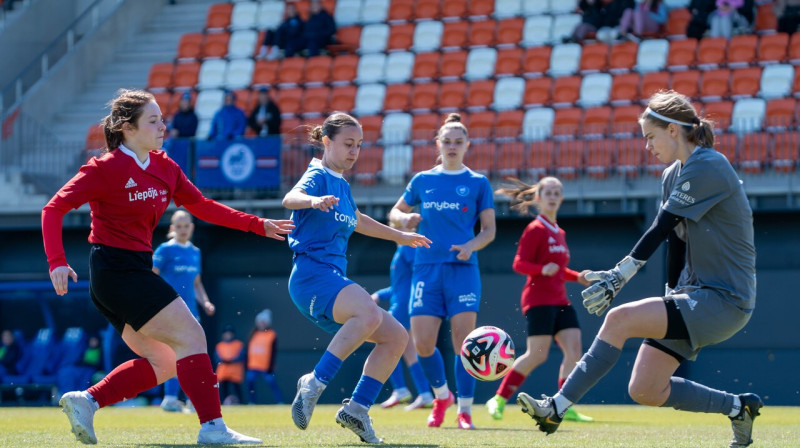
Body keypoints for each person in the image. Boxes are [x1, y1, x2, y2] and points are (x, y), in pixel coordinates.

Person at [42, 88, 294, 445]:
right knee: (192, 336)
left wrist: (257, 223)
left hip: (131, 270)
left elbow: (203, 206)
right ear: (127, 128)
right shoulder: (104, 168)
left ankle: (87, 400)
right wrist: (57, 262)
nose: (164, 125)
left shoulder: (165, 166)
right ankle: (213, 428)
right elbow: (53, 209)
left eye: (162, 118)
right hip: (114, 269)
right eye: (154, 119)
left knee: (164, 362)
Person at [516, 90, 762, 448]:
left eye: (650, 136)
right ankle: (740, 408)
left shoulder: (709, 164)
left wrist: (619, 275)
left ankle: (555, 407)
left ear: (674, 131)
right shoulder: (670, 175)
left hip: (726, 300)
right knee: (645, 388)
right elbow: (676, 240)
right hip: (696, 296)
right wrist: (669, 295)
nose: (646, 146)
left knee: (618, 318)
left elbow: (662, 225)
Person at [283, 112, 431, 443]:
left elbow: (358, 219)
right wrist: (313, 200)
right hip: (311, 276)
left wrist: (400, 235)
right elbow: (289, 199)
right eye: (348, 144)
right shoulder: (318, 174)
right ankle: (314, 384)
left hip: (330, 279)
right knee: (367, 310)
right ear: (326, 142)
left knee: (396, 337)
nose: (354, 152)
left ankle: (358, 410)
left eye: (359, 146)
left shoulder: (342, 185)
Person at [388, 113, 496, 430]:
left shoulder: (478, 182)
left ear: (467, 145)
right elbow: (395, 212)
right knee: (422, 343)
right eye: (446, 141)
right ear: (438, 144)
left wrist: (471, 246)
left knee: (464, 343)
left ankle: (465, 410)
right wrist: (401, 221)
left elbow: (488, 231)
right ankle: (440, 396)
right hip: (425, 269)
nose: (451, 146)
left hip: (462, 269)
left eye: (457, 142)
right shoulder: (422, 180)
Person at [484, 177, 593, 424]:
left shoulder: (560, 231)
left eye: (557, 193)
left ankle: (563, 404)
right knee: (537, 354)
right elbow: (519, 263)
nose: (553, 197)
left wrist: (579, 277)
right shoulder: (535, 229)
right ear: (538, 198)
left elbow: (558, 269)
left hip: (560, 300)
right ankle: (499, 398)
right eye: (549, 193)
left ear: (561, 198)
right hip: (539, 300)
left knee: (574, 350)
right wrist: (541, 269)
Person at [153, 209, 215, 413]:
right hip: (170, 310)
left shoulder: (195, 252)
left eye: (186, 225)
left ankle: (187, 399)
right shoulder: (164, 250)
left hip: (192, 311)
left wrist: (205, 302)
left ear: (192, 227)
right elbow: (151, 277)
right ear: (172, 228)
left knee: (193, 354)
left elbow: (196, 283)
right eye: (178, 226)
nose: (182, 230)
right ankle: (171, 398)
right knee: (175, 353)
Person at [370, 222, 434, 411]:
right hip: (403, 303)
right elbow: (399, 286)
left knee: (384, 343)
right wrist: (379, 295)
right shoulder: (403, 248)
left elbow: (419, 276)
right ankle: (425, 394)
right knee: (409, 351)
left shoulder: (408, 246)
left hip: (403, 306)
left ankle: (400, 389)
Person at [245, 309, 284, 404]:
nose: (261, 323)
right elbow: (248, 350)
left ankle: (279, 402)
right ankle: (252, 402)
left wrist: (270, 366)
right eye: (260, 321)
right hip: (253, 366)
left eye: (263, 321)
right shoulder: (253, 334)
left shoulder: (271, 334)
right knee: (250, 383)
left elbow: (273, 351)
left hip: (266, 367)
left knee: (272, 383)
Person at [57, 333, 105, 397]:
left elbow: (99, 364)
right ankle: (70, 393)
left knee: (86, 376)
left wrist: (89, 364)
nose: (93, 343)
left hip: (92, 370)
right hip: (83, 369)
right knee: (69, 373)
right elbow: (81, 360)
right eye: (91, 341)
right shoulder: (87, 349)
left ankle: (83, 394)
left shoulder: (100, 351)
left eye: (94, 341)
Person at [565, 0, 631, 44]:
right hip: (588, 23)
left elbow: (601, 18)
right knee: (578, 26)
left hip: (595, 25)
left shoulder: (598, 5)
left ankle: (575, 39)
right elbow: (581, 7)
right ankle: (572, 38)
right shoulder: (585, 4)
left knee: (583, 27)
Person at [215, 324, 245, 405]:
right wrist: (228, 360)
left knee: (238, 391)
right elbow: (217, 358)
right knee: (223, 392)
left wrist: (229, 360)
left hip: (235, 373)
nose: (228, 335)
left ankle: (241, 404)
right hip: (223, 373)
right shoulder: (219, 345)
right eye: (226, 333)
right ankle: (222, 405)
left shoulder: (238, 344)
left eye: (230, 333)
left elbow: (241, 356)